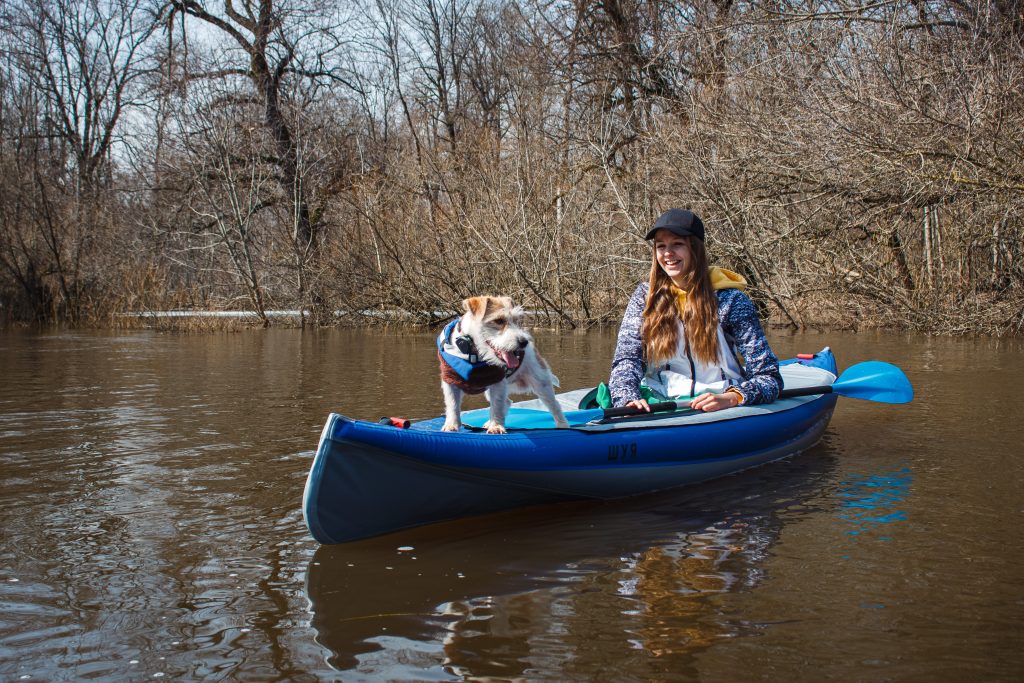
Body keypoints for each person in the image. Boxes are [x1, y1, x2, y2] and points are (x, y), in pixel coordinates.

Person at [608, 208, 782, 412]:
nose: (668, 253)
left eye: (677, 244)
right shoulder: (644, 298)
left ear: (695, 249)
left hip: (722, 404)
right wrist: (627, 398)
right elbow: (627, 359)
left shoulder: (732, 301)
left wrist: (732, 397)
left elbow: (769, 376)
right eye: (661, 246)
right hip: (660, 402)